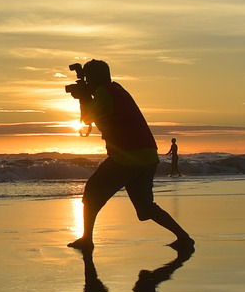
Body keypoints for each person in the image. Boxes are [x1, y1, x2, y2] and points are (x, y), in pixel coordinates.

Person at [66, 59, 194, 252]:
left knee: (92, 192)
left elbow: (88, 117)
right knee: (145, 208)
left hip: (127, 156)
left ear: (95, 78)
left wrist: (83, 98)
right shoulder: (117, 90)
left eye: (88, 79)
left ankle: (87, 240)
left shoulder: (104, 92)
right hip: (147, 156)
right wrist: (86, 96)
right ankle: (184, 238)